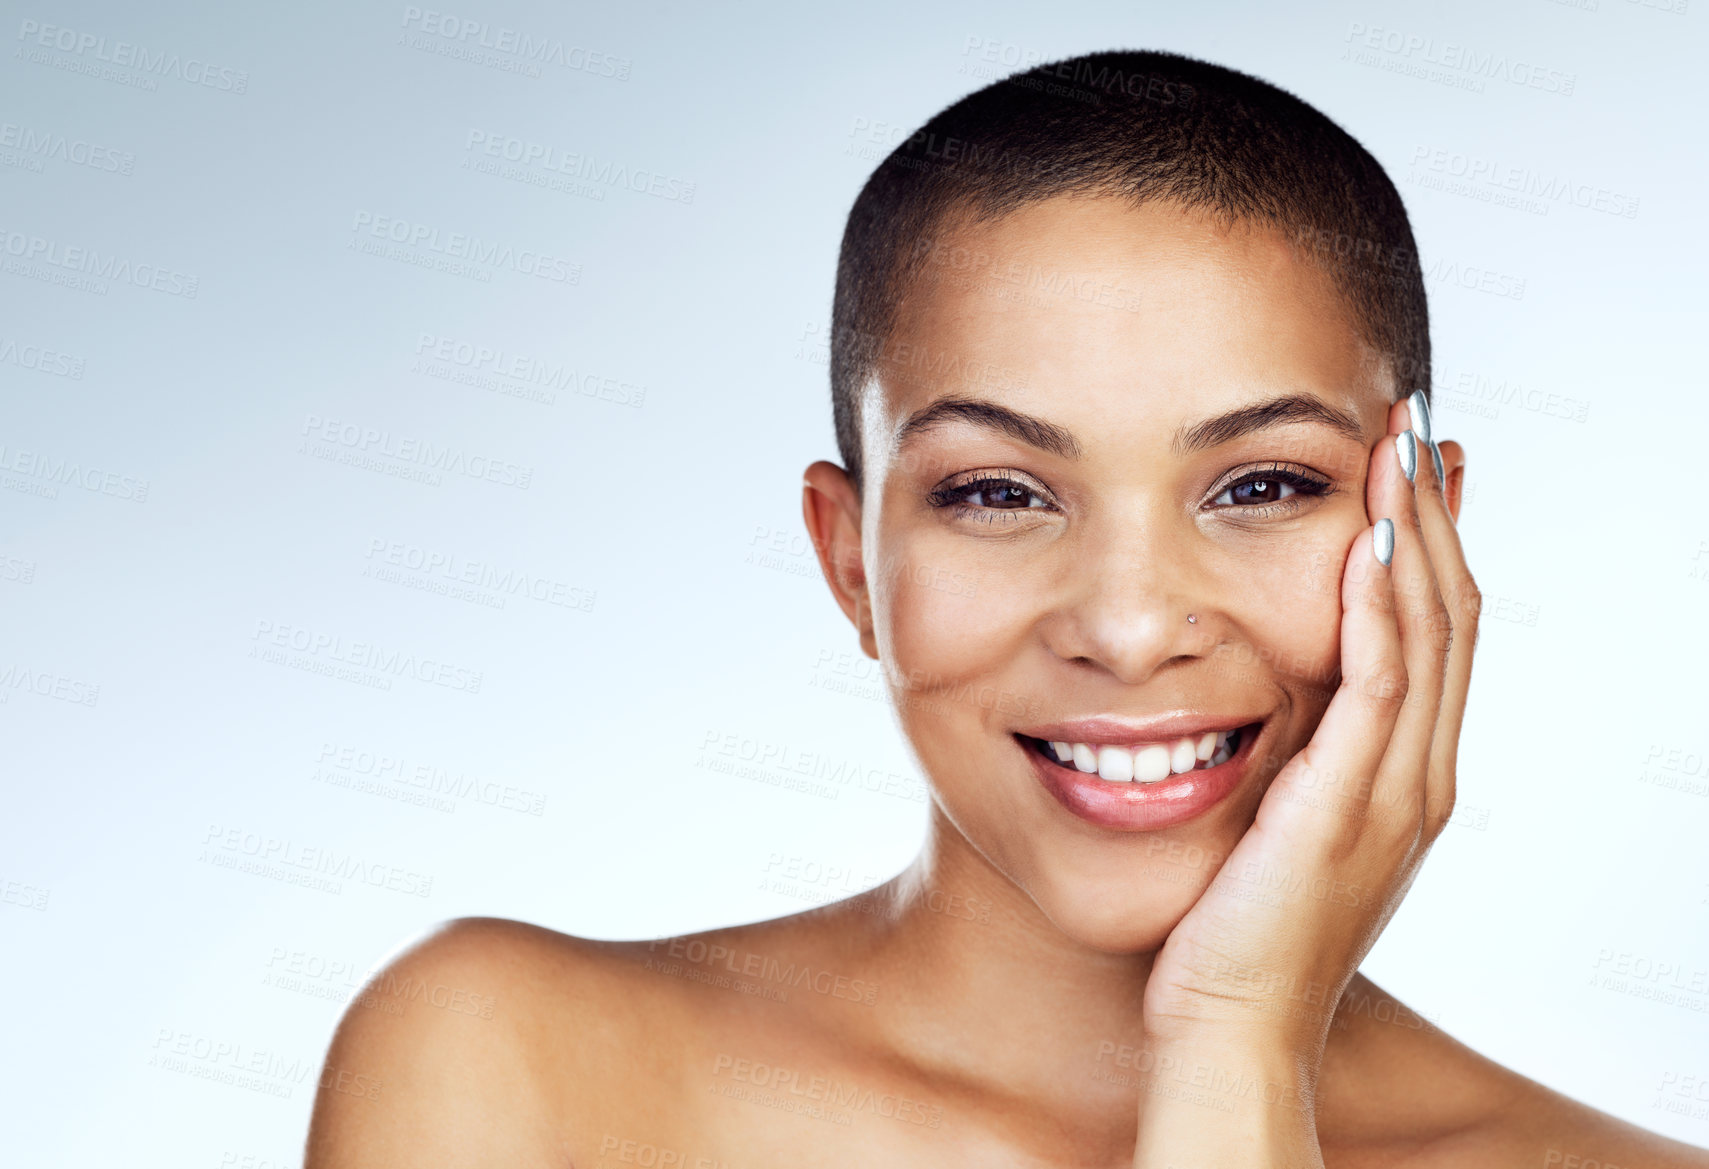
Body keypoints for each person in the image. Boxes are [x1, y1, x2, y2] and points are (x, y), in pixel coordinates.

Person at [304, 50, 1709, 1168]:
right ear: (850, 560)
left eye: (1260, 482)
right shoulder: (512, 1065)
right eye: (996, 494)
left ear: (1423, 532)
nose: (1128, 621)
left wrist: (1237, 1045)